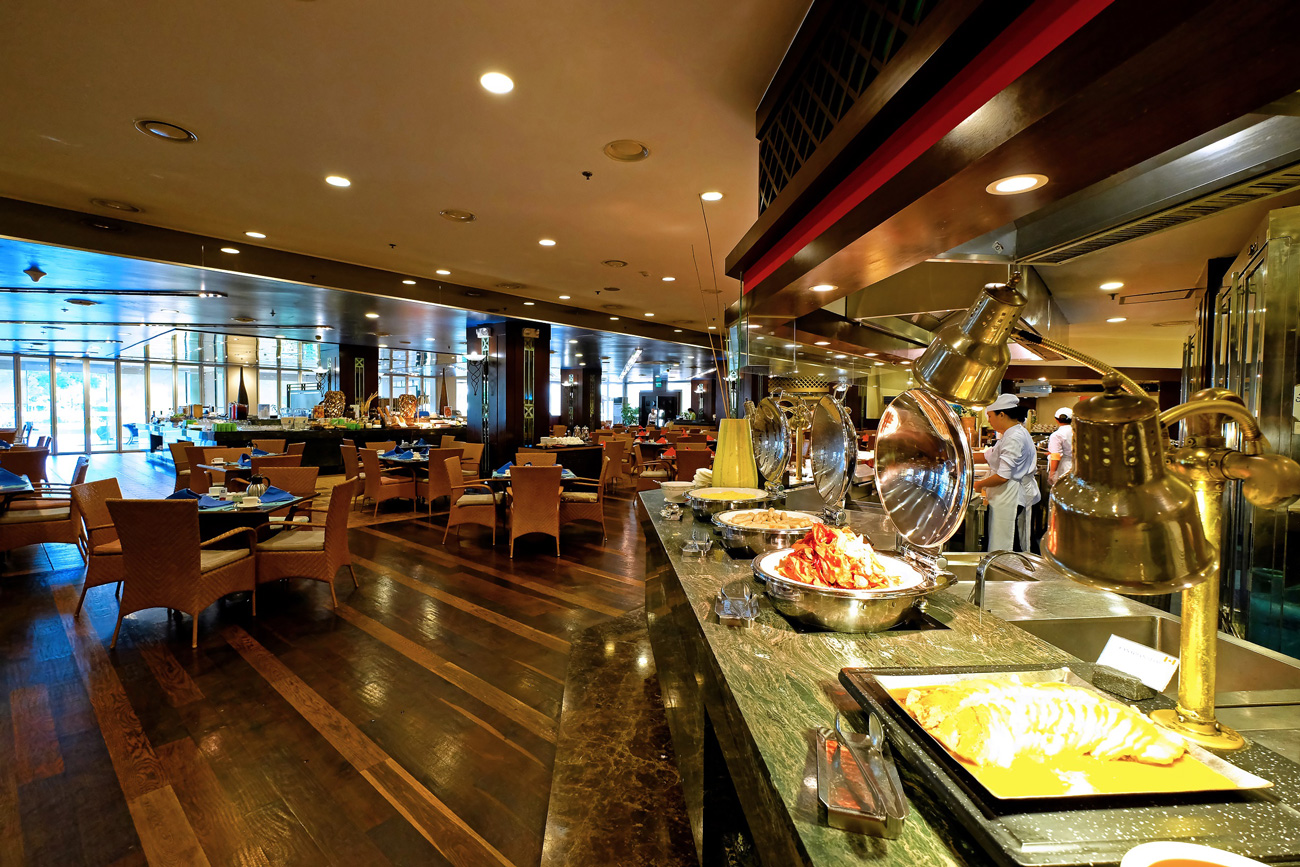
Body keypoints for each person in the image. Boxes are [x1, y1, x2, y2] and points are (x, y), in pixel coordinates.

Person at [972, 393, 1040, 552]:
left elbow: (1003, 477)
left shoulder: (1014, 437)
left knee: (1007, 544)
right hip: (1008, 494)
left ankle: (1006, 568)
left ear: (1001, 414)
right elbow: (988, 456)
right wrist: (959, 456)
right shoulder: (1012, 433)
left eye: (990, 416)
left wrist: (978, 485)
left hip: (1012, 496)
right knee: (1007, 542)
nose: (989, 420)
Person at [1046, 407, 1074, 485]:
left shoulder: (1056, 435)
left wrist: (1052, 474)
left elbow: (1056, 456)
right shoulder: (1076, 431)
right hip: (1075, 466)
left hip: (1063, 468)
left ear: (1056, 419)